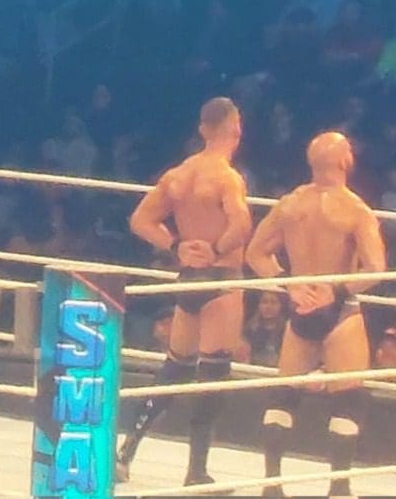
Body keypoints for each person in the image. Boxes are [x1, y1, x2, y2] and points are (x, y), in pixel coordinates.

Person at [120, 97, 252, 486]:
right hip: (221, 277)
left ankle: (126, 452)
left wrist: (176, 246)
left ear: (202, 129)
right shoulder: (228, 177)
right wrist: (217, 249)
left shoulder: (178, 175)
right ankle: (196, 472)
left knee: (175, 367)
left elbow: (140, 219)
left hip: (189, 278)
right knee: (212, 374)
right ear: (235, 128)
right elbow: (242, 225)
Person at [246, 131, 385, 497]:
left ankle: (271, 486)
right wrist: (335, 290)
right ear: (344, 161)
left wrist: (290, 285)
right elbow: (375, 268)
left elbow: (255, 253)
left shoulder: (290, 204)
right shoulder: (355, 209)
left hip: (300, 304)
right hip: (339, 308)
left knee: (284, 396)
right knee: (349, 397)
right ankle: (339, 489)